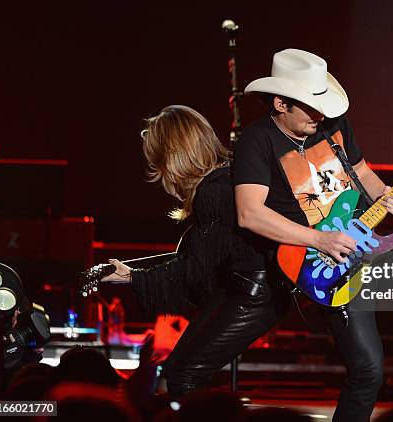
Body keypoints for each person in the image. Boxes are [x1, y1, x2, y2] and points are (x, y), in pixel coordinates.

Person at [233, 48, 393, 419]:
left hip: (365, 239)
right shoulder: (258, 142)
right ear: (280, 103)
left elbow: (362, 172)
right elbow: (249, 214)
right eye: (309, 106)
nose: (320, 114)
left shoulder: (333, 126)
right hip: (322, 260)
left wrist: (384, 193)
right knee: (368, 371)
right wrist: (320, 239)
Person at [102, 105, 284, 397]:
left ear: (172, 157)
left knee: (183, 372)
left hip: (252, 293)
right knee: (181, 369)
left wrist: (135, 279)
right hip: (248, 287)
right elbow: (200, 261)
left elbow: (195, 272)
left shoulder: (214, 190)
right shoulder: (227, 178)